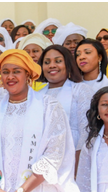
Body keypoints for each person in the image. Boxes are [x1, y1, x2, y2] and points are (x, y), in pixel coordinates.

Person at [0, 49, 83, 192]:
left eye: (16, 71)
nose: (10, 76)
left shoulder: (49, 107)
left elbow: (53, 155)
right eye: (6, 72)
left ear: (28, 75)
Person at [37, 45, 94, 177]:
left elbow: (86, 132)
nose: (52, 65)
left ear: (68, 65)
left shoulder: (81, 90)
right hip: (42, 162)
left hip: (73, 159)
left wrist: (77, 166)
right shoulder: (36, 95)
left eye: (58, 61)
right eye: (47, 62)